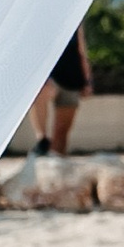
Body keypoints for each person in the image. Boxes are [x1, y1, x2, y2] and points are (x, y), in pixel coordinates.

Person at [28, 18, 89, 155]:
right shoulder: (40, 22)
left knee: (62, 133)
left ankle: (58, 161)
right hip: (49, 77)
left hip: (72, 78)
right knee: (39, 93)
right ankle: (41, 138)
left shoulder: (76, 19)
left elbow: (82, 51)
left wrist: (87, 80)